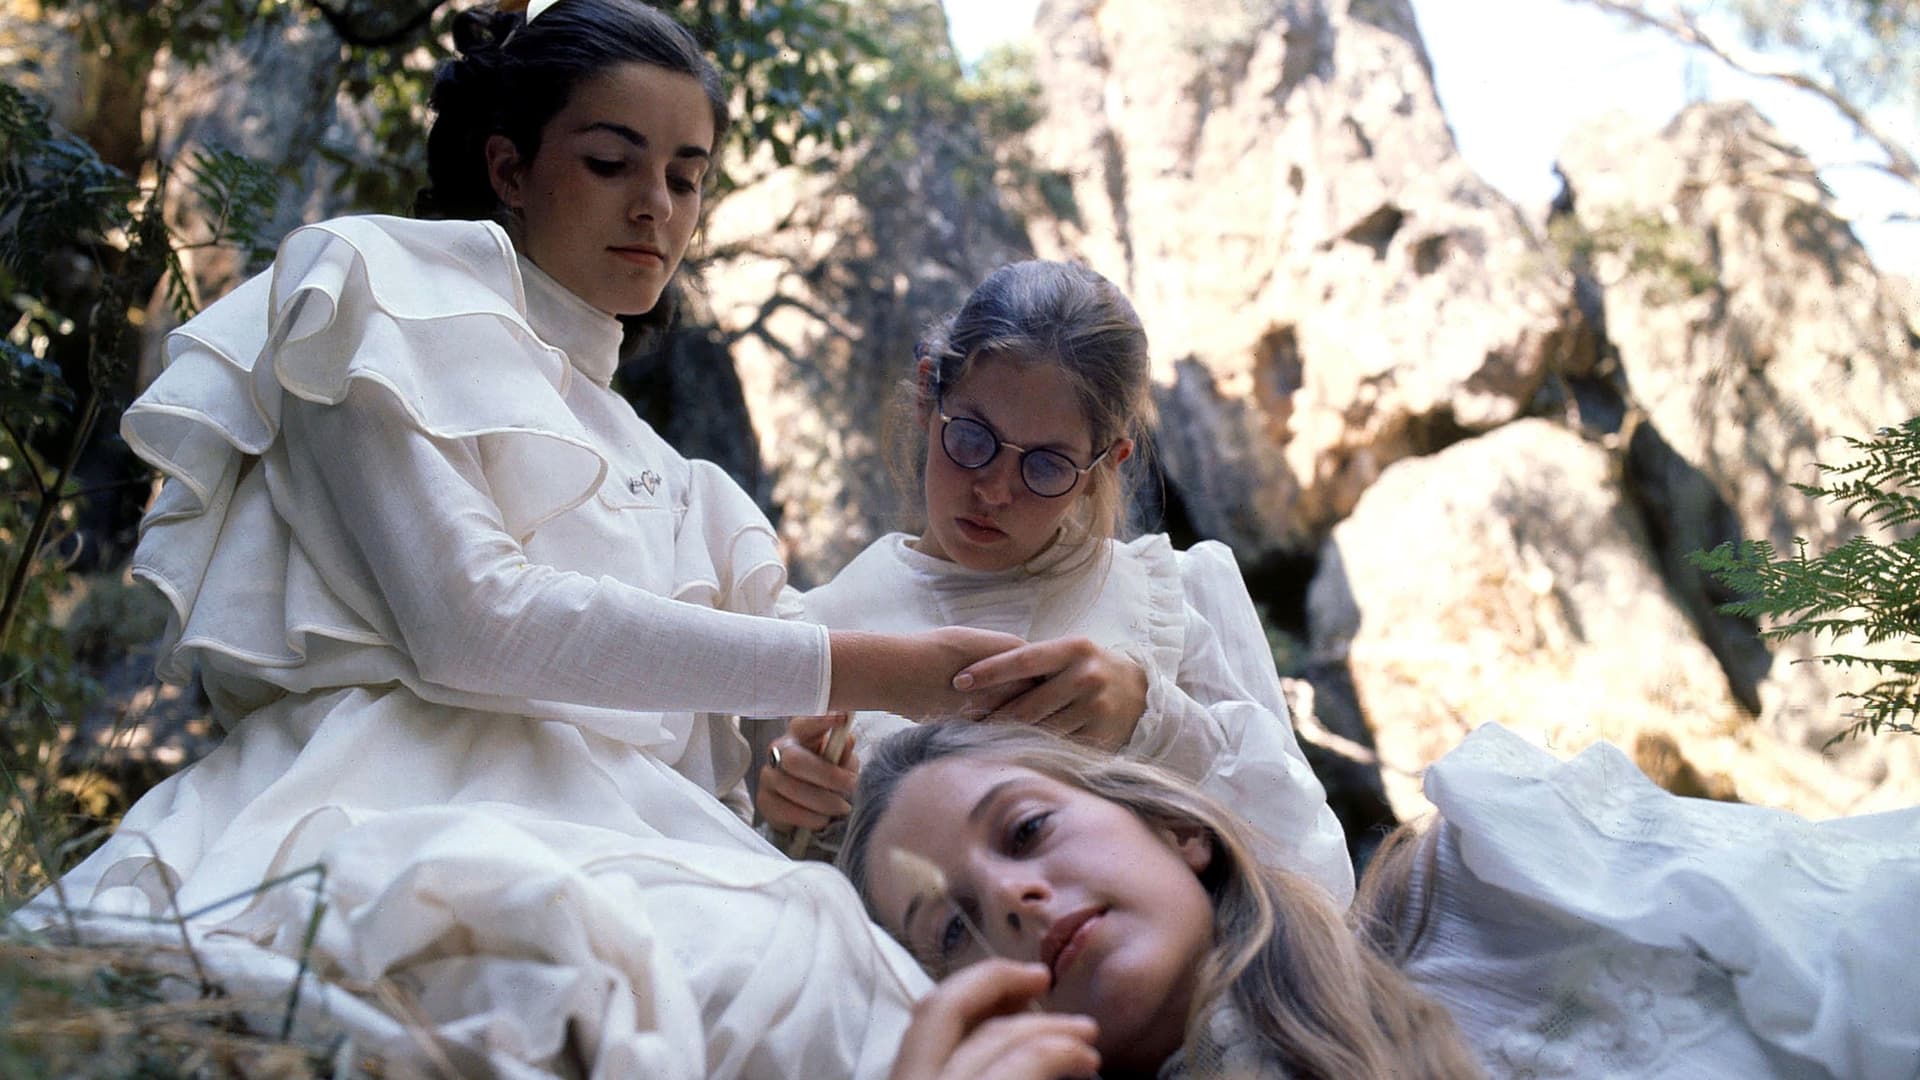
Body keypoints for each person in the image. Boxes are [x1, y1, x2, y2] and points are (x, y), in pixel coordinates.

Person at [18, 1, 1028, 1073]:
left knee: (841, 983)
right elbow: (474, 626)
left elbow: (749, 739)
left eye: (686, 177)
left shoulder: (686, 487)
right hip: (385, 800)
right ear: (508, 168)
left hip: (636, 833)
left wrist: (791, 763)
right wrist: (865, 665)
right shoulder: (373, 297)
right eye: (610, 161)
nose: (656, 206)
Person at [842, 721, 1920, 1079]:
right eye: (950, 929)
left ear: (1179, 833)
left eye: (1026, 829)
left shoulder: (1502, 884)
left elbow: (1865, 936)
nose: (1013, 897)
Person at [755, 260, 1353, 905]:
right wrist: (789, 816)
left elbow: (1320, 880)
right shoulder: (820, 634)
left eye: (1046, 464)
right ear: (930, 396)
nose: (993, 489)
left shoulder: (1172, 597)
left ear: (1107, 463)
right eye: (974, 438)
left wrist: (1152, 722)